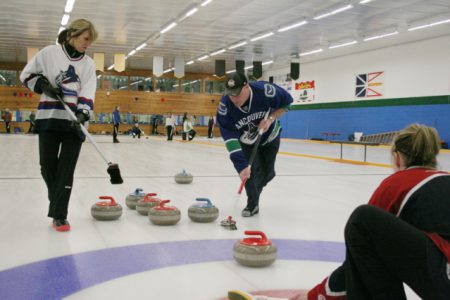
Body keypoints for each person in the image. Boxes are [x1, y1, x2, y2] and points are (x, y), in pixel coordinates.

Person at [20, 18, 98, 232]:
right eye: (85, 39)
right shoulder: (48, 54)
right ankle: (57, 201)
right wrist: (44, 85)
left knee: (66, 170)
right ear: (72, 35)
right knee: (47, 166)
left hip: (74, 124)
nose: (87, 44)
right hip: (49, 118)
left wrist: (83, 114)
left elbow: (88, 91)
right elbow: (26, 75)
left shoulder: (89, 65)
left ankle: (59, 216)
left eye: (90, 41)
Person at [216, 72, 293, 217]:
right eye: (230, 94)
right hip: (246, 142)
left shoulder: (266, 91)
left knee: (267, 174)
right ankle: (252, 204)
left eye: (237, 94)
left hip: (271, 137)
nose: (234, 98)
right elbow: (229, 136)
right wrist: (241, 166)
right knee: (249, 174)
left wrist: (270, 119)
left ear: (246, 86)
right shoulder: (225, 105)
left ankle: (259, 185)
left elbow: (287, 104)